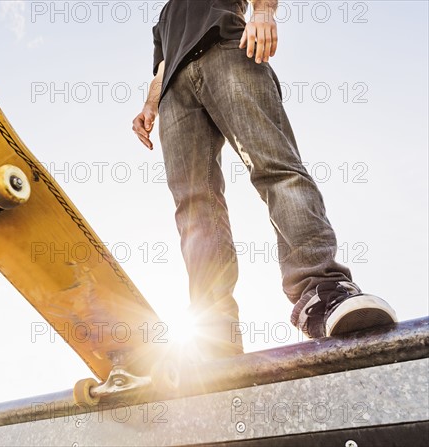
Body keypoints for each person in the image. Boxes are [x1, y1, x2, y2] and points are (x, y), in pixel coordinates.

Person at [132, 0, 397, 357]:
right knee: (193, 207)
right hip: (174, 94)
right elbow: (162, 66)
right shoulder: (166, 15)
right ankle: (214, 333)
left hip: (227, 50)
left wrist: (263, 13)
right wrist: (151, 103)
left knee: (275, 168)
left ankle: (322, 292)